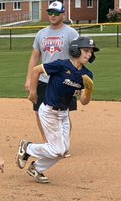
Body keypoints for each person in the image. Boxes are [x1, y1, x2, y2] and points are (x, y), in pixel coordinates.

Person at [17, 36, 99, 182]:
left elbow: (84, 102)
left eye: (91, 52)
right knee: (57, 150)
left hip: (63, 114)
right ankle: (27, 147)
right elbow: (36, 70)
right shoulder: (62, 65)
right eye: (86, 50)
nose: (89, 54)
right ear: (75, 50)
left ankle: (36, 168)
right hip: (49, 112)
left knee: (63, 151)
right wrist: (33, 92)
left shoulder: (87, 75)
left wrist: (89, 90)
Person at [24, 0, 79, 143]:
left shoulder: (71, 33)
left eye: (56, 12)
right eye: (50, 12)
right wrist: (29, 79)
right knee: (38, 112)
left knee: (62, 114)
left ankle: (63, 144)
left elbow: (77, 58)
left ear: (63, 13)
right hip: (43, 80)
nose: (53, 15)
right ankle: (48, 143)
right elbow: (35, 57)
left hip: (63, 81)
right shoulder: (41, 34)